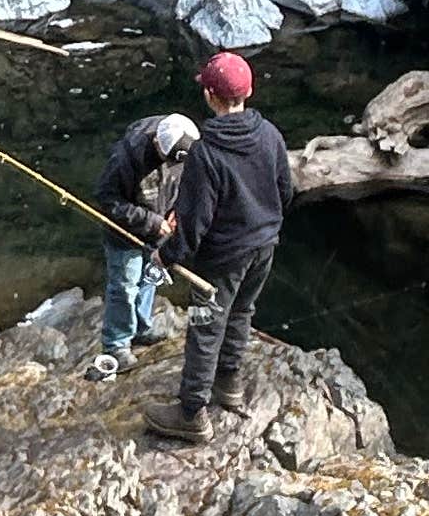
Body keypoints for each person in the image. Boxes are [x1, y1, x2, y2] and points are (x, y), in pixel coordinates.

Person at [151, 50, 292, 446]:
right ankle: (229, 384)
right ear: (249, 92)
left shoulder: (206, 153)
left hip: (220, 261)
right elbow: (286, 190)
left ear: (210, 96)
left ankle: (191, 413)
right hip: (264, 247)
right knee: (242, 312)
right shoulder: (270, 135)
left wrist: (167, 255)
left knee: (204, 326)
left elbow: (194, 222)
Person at [90, 109, 197, 371]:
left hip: (158, 233)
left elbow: (188, 185)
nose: (172, 165)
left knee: (149, 279)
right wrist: (152, 222)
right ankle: (116, 344)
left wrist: (177, 213)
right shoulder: (125, 158)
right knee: (124, 287)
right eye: (167, 159)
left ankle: (141, 327)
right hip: (124, 235)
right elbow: (106, 199)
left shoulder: (187, 149)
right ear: (158, 143)